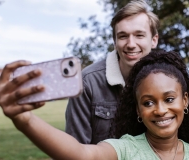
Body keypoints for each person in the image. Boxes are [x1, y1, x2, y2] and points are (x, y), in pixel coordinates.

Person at [0, 50, 189, 159]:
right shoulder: (126, 149)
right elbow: (81, 154)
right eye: (148, 102)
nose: (160, 110)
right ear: (138, 109)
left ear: (185, 100)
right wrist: (24, 120)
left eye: (169, 99)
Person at [65, 0, 160, 144]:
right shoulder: (87, 82)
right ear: (115, 42)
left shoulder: (168, 79)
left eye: (139, 35)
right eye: (123, 36)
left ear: (154, 40)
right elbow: (74, 149)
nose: (131, 44)